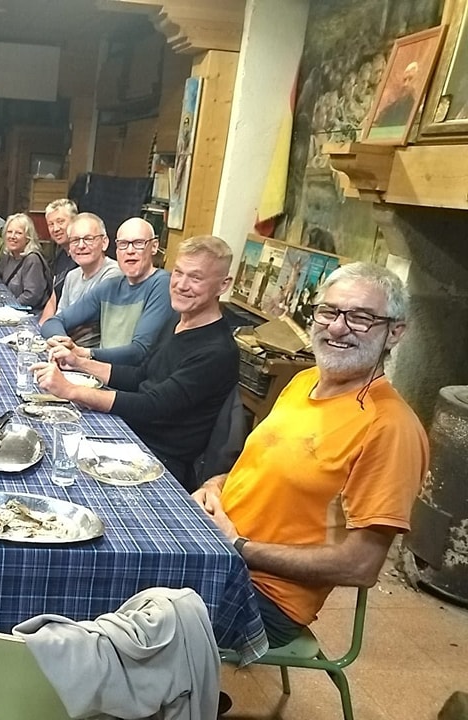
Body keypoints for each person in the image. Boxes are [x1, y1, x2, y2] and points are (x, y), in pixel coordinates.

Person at [193, 262, 428, 648]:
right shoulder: (304, 381)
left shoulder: (391, 427)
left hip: (263, 598)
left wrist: (239, 547)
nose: (337, 327)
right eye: (330, 311)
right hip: (216, 554)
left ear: (394, 333)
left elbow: (361, 566)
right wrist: (214, 486)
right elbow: (262, 468)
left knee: (114, 601)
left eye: (361, 318)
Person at [34, 235, 238, 487]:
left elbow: (152, 405)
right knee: (44, 438)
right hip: (131, 434)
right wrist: (79, 362)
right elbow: (141, 375)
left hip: (159, 461)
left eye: (195, 278)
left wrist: (72, 390)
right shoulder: (177, 321)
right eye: (178, 273)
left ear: (223, 285)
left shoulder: (216, 351)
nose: (181, 285)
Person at [41, 217, 173, 366]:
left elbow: (139, 351)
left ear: (154, 246)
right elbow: (54, 322)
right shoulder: (110, 287)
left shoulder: (162, 283)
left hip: (130, 383)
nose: (130, 251)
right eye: (123, 244)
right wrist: (62, 343)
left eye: (138, 243)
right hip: (101, 374)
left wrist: (84, 354)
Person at [38, 212, 120, 347]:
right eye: (75, 240)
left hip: (92, 358)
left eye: (88, 239)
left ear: (104, 243)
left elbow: (83, 323)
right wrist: (62, 340)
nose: (81, 245)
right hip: (67, 350)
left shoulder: (113, 275)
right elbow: (55, 322)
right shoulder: (72, 276)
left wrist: (61, 330)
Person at [0, 212, 52, 311]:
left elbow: (32, 296)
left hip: (27, 312)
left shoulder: (32, 260)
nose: (12, 236)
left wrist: (9, 307)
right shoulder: (10, 254)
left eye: (18, 233)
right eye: (9, 232)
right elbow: (0, 271)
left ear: (28, 238)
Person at [42, 198, 78, 315]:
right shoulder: (60, 255)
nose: (56, 229)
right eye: (51, 224)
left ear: (74, 222)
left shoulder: (82, 258)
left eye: (60, 221)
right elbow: (53, 297)